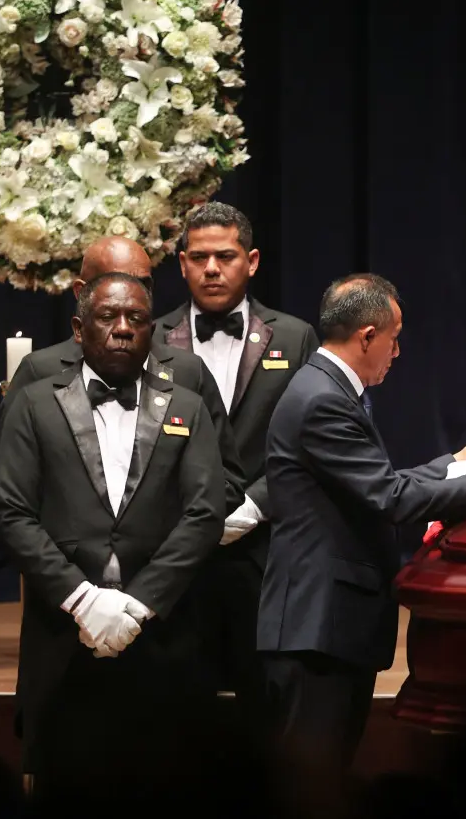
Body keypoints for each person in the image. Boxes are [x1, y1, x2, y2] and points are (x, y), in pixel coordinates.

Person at [257, 273, 466, 772]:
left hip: (327, 627)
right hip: (316, 628)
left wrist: (455, 461)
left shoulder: (325, 386)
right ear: (368, 336)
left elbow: (375, 482)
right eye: (394, 340)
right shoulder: (323, 400)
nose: (397, 353)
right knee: (311, 786)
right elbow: (391, 498)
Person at [0, 272, 225, 797]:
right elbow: (12, 512)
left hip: (163, 634)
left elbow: (204, 513)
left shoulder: (186, 405)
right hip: (62, 634)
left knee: (169, 786)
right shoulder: (33, 404)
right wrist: (82, 600)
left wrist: (137, 607)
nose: (122, 329)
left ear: (153, 331)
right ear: (79, 327)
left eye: (136, 319)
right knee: (63, 787)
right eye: (107, 317)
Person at [153, 202, 319, 723]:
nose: (210, 268)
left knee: (266, 709)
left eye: (224, 256)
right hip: (177, 552)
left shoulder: (294, 337)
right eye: (198, 257)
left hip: (266, 553)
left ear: (251, 261)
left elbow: (311, 441)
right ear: (181, 264)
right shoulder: (150, 340)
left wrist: (253, 505)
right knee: (180, 710)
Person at [0, 236, 245, 515]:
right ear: (82, 292)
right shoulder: (41, 371)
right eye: (113, 282)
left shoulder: (187, 372)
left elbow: (228, 482)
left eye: (143, 283)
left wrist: (159, 536)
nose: (129, 292)